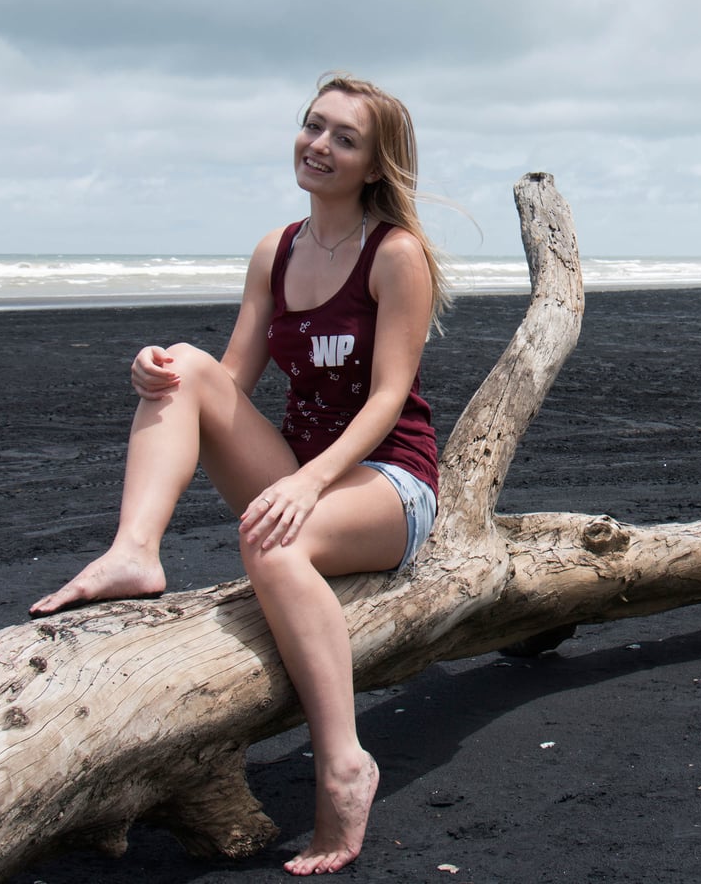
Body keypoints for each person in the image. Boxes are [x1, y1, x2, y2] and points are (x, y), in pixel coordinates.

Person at [30, 73, 448, 875]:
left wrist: (307, 484)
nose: (318, 145)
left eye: (344, 138)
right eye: (312, 126)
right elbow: (232, 378)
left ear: (375, 164)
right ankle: (134, 552)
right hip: (303, 470)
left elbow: (390, 397)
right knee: (184, 366)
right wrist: (159, 380)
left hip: (391, 482)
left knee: (270, 544)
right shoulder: (277, 249)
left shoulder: (395, 256)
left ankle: (344, 763)